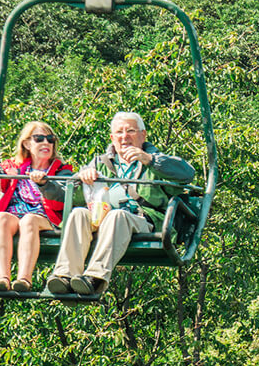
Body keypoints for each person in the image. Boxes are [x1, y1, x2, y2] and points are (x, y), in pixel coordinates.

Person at [45, 112, 195, 296]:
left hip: (143, 220)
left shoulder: (155, 161)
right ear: (112, 138)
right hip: (101, 218)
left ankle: (95, 279)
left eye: (130, 131)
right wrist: (80, 180)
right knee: (78, 214)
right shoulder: (101, 163)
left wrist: (150, 160)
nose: (125, 137)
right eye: (119, 132)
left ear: (142, 135)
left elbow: (187, 174)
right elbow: (71, 197)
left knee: (117, 215)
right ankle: (64, 276)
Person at [0, 121, 73, 293]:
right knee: (1, 218)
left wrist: (44, 184)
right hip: (13, 215)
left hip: (45, 218)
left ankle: (24, 279)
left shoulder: (60, 171)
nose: (46, 143)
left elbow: (62, 197)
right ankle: (3, 278)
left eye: (50, 139)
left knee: (29, 221)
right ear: (26, 143)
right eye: (39, 138)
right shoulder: (14, 168)